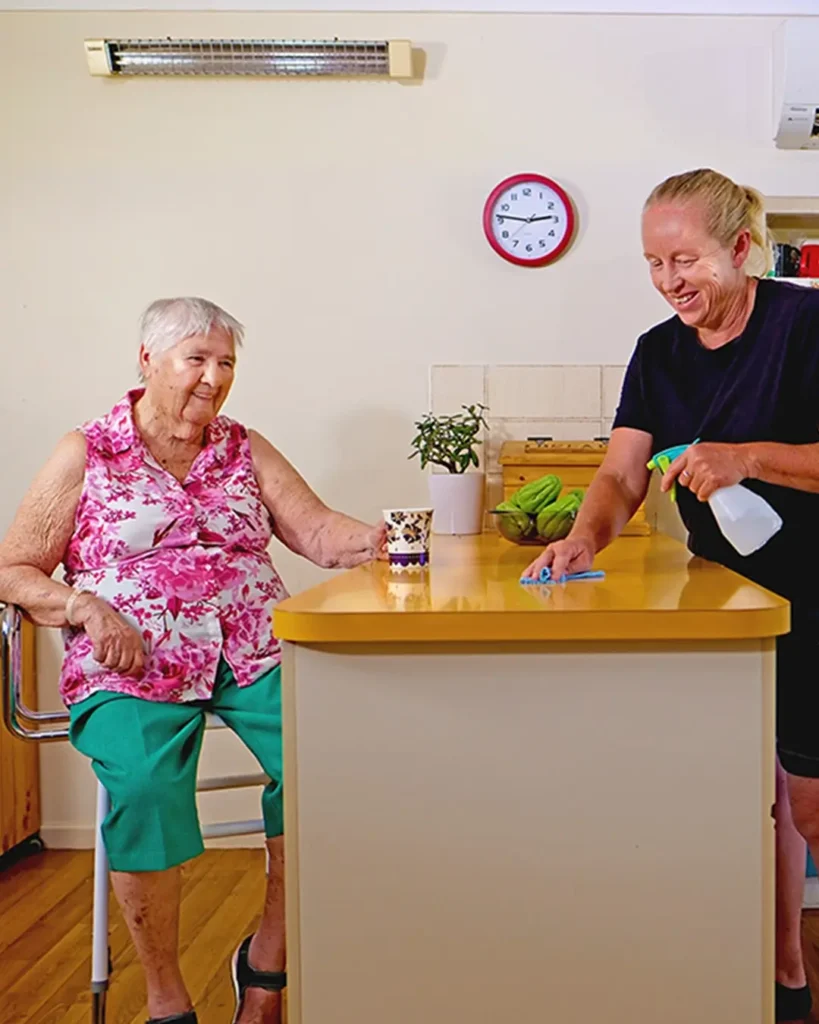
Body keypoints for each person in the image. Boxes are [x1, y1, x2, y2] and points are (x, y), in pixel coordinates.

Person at [0, 296, 386, 1024]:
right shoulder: (87, 451)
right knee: (144, 788)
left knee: (328, 766)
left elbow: (318, 532)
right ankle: (165, 995)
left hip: (253, 650)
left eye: (226, 362)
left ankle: (266, 964)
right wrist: (85, 607)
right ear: (147, 361)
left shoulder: (244, 447)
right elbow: (14, 566)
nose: (213, 378)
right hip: (132, 661)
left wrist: (382, 538)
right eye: (196, 360)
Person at [523, 168, 819, 1023]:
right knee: (739, 797)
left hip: (811, 595)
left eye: (683, 259)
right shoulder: (658, 351)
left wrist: (746, 455)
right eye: (653, 264)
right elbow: (620, 473)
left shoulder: (804, 323)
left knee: (805, 797)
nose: (668, 281)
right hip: (722, 600)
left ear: (737, 248)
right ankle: (782, 976)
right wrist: (584, 535)